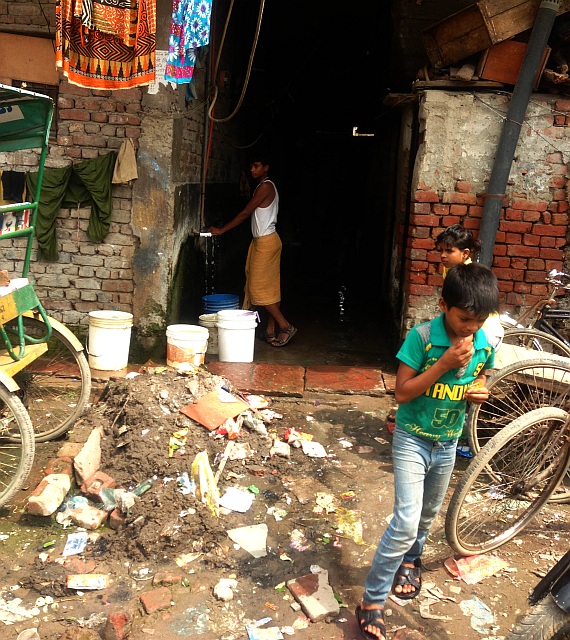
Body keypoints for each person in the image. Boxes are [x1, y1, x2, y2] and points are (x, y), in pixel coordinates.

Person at [356, 263, 499, 640]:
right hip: (412, 439)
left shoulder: (483, 342)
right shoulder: (422, 338)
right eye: (465, 318)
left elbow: (483, 374)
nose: (471, 327)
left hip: (449, 441)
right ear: (443, 305)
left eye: (479, 320)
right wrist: (444, 364)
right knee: (404, 521)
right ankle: (372, 600)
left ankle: (410, 560)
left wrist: (480, 390)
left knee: (428, 513)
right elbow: (401, 393)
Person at [209, 157, 297, 347]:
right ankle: (270, 330)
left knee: (257, 290)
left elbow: (245, 213)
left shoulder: (266, 187)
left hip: (267, 242)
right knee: (269, 289)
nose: (252, 170)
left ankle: (286, 326)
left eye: (256, 166)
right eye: (250, 166)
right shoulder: (262, 186)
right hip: (263, 241)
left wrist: (221, 230)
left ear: (266, 167)